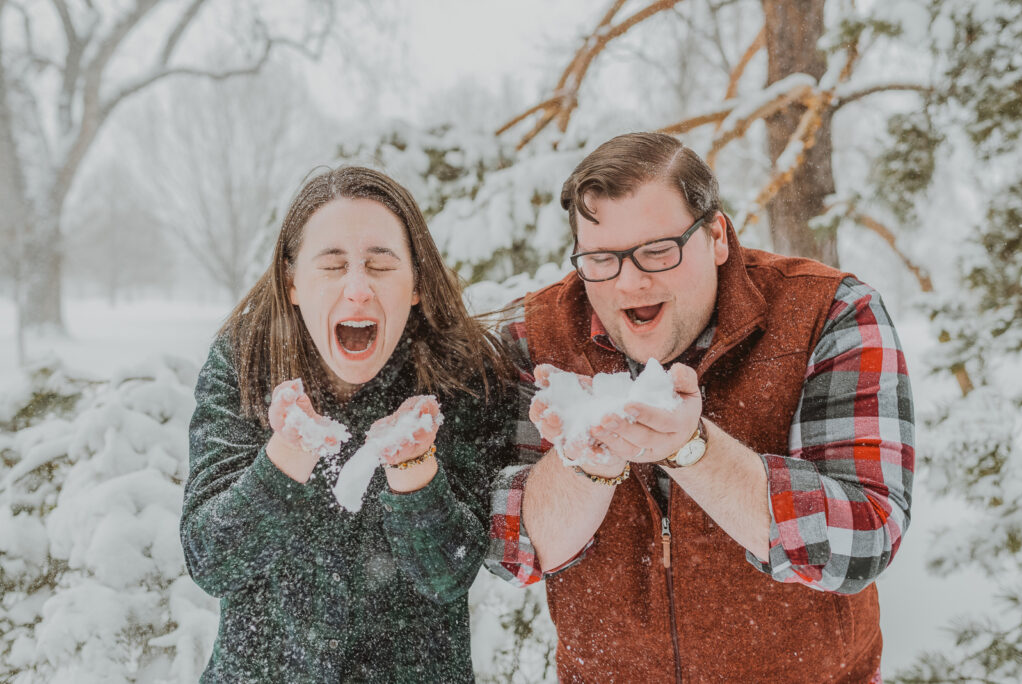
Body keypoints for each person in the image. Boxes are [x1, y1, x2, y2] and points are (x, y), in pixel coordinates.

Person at [485, 133, 914, 682]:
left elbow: (864, 538)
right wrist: (587, 461)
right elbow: (512, 550)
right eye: (600, 259)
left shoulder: (829, 313)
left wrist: (694, 452)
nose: (631, 281)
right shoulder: (536, 334)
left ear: (715, 236)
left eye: (658, 251)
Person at [181, 166, 515, 683]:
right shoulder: (245, 361)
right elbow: (214, 561)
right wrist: (287, 454)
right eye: (332, 266)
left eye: (380, 267)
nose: (357, 289)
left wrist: (413, 468)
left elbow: (449, 575)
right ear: (293, 283)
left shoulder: (463, 375)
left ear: (416, 287)